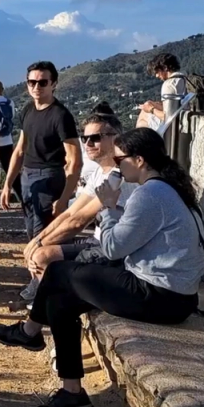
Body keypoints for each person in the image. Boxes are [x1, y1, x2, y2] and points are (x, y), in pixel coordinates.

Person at [0, 127, 203, 407]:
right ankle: (71, 391)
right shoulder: (169, 188)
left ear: (139, 160)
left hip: (158, 296)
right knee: (62, 298)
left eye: (120, 161)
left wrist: (106, 207)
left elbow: (114, 247)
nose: (116, 166)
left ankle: (30, 332)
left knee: (58, 274)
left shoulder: (150, 194)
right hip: (175, 296)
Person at [19, 110, 135, 303]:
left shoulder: (118, 176)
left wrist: (38, 245)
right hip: (100, 240)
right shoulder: (100, 173)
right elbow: (71, 213)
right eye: (85, 138)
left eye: (95, 138)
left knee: (43, 256)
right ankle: (42, 302)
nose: (88, 144)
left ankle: (43, 310)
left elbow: (79, 221)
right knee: (40, 251)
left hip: (114, 248)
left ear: (116, 138)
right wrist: (38, 239)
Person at [0, 61, 82, 239]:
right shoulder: (28, 109)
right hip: (27, 177)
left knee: (42, 237)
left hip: (50, 178)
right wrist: (7, 185)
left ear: (54, 84)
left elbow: (75, 160)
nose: (36, 86)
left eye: (43, 82)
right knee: (31, 232)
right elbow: (20, 150)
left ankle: (45, 266)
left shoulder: (61, 116)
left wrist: (63, 199)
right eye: (32, 82)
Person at [0, 80, 23, 204]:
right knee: (11, 170)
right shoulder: (10, 103)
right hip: (7, 141)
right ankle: (22, 199)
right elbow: (12, 118)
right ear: (3, 89)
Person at [137, 53, 186, 131]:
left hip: (177, 126)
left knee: (141, 121)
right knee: (145, 108)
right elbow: (176, 106)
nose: (156, 75)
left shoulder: (169, 85)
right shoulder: (183, 78)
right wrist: (154, 104)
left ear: (165, 68)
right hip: (183, 117)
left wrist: (151, 109)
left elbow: (169, 117)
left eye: (157, 72)